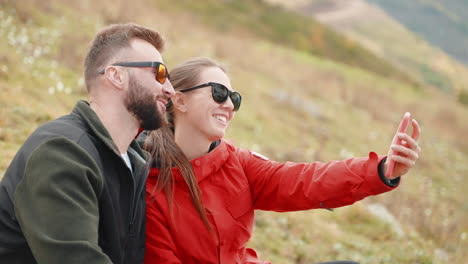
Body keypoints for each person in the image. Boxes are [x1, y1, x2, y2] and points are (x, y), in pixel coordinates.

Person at [142, 57, 421, 264]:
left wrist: (381, 170)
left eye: (234, 99)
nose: (228, 105)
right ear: (179, 101)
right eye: (218, 92)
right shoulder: (150, 190)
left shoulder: (236, 162)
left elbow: (304, 181)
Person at [0, 23, 175, 264]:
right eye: (160, 73)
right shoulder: (62, 152)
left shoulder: (134, 163)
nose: (170, 89)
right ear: (116, 75)